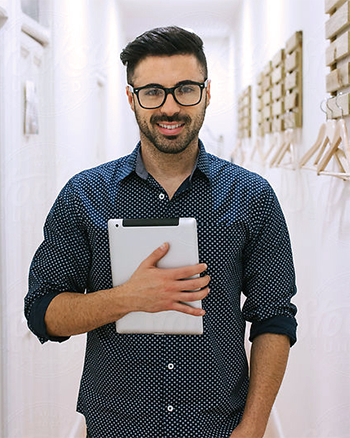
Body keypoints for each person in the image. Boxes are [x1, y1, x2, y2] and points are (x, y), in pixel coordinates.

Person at [24, 26, 297, 438]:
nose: (170, 107)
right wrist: (127, 299)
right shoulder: (85, 195)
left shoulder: (252, 197)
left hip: (218, 425)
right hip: (116, 424)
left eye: (185, 89)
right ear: (132, 98)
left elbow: (274, 319)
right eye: (153, 92)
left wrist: (254, 425)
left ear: (207, 93)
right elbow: (42, 313)